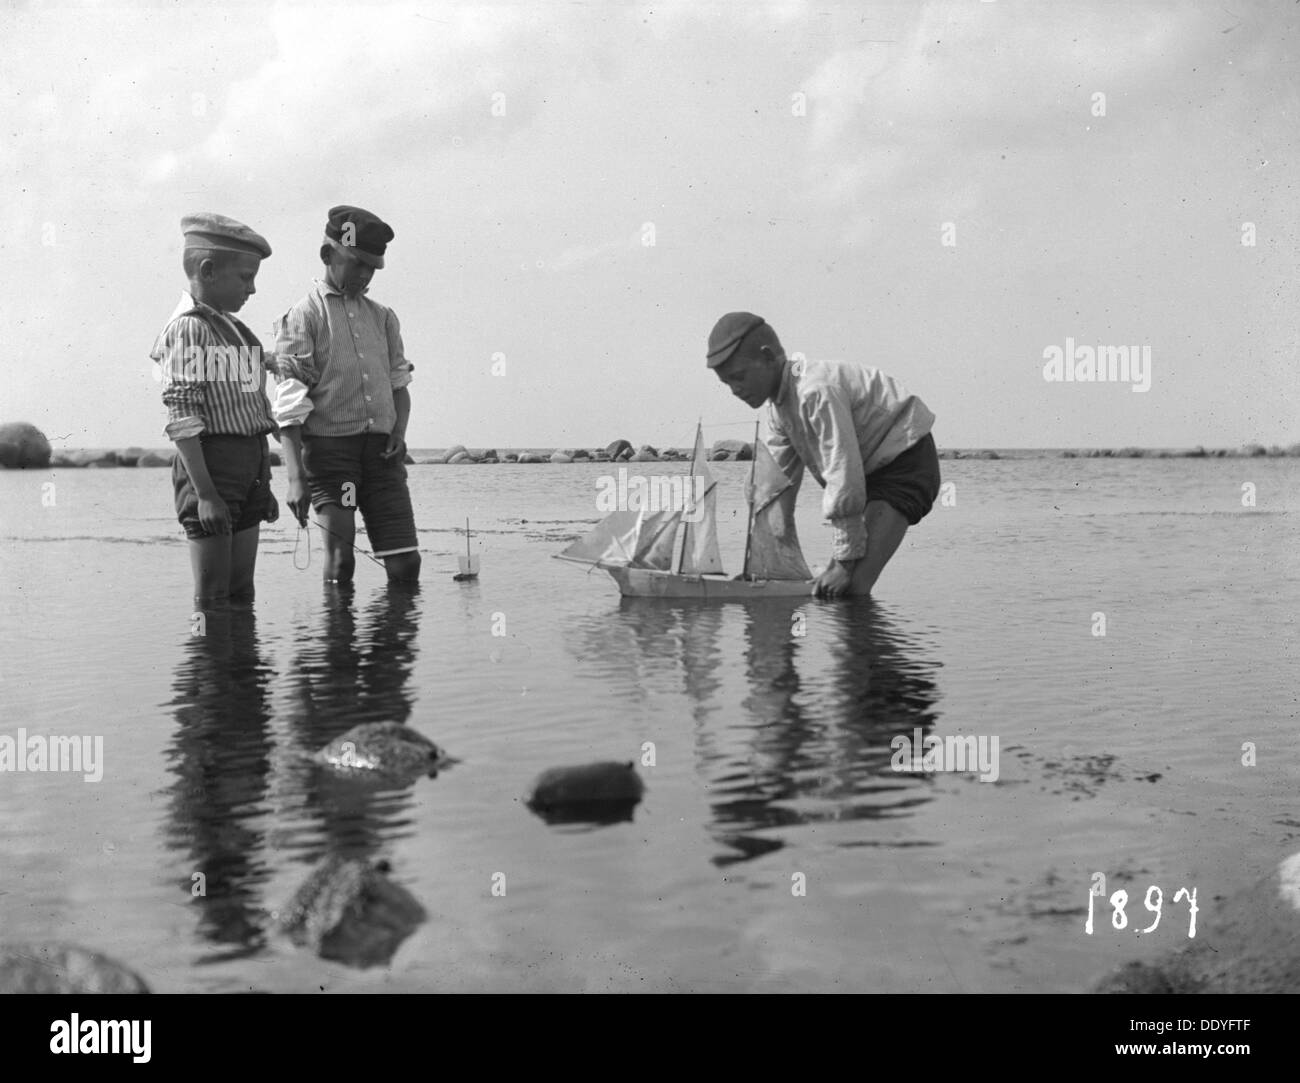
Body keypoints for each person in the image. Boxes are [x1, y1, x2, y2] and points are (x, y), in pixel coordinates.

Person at [707, 312, 939, 599]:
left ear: (768, 357)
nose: (734, 390)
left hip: (904, 462)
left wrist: (844, 563)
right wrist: (765, 565)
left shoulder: (814, 392)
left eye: (739, 377)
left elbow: (842, 474)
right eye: (726, 383)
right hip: (870, 474)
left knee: (850, 588)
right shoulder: (779, 409)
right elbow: (774, 488)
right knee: (825, 590)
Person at [271, 205, 421, 584]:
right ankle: (338, 643)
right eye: (356, 264)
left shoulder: (383, 317)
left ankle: (396, 643)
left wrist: (399, 433)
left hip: (382, 456)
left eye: (372, 268)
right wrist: (294, 479)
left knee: (405, 563)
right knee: (342, 562)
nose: (365, 275)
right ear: (327, 256)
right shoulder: (303, 316)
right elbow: (289, 406)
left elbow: (399, 385)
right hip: (330, 454)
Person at [151, 213, 279, 607]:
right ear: (208, 271)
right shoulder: (189, 329)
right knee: (212, 595)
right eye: (244, 277)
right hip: (212, 464)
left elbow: (252, 404)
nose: (252, 289)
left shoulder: (234, 330)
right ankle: (208, 668)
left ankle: (242, 668)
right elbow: (183, 416)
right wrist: (206, 494)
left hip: (249, 462)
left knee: (241, 591)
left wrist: (263, 483)